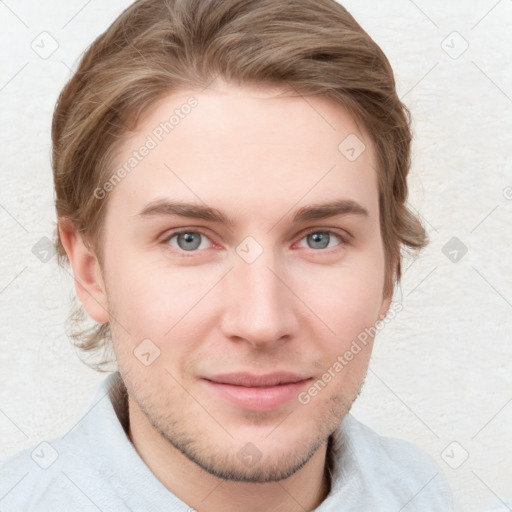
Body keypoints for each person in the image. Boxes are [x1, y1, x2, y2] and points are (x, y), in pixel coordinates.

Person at [0, 0, 454, 510]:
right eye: (187, 239)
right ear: (91, 273)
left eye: (319, 238)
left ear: (389, 269)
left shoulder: (423, 492)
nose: (261, 323)